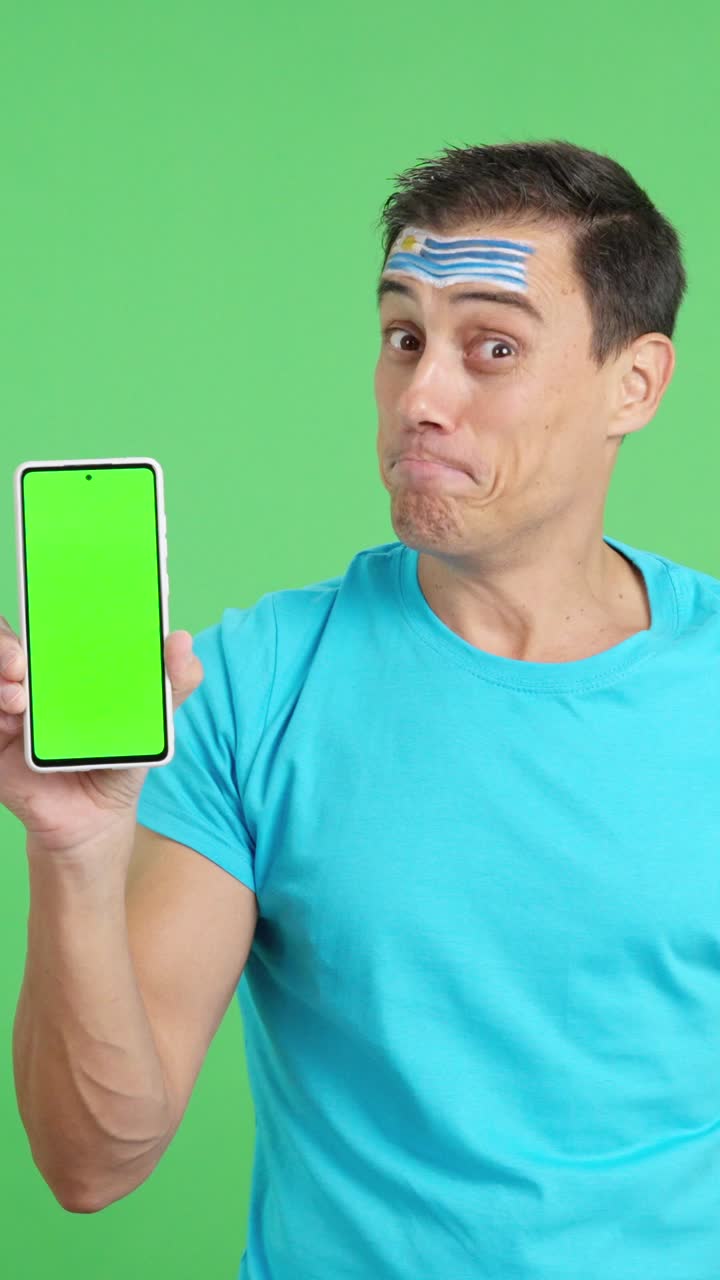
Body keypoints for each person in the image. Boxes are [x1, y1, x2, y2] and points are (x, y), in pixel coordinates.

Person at [10, 138, 720, 1279]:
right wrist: (77, 853)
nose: (421, 398)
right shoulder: (249, 686)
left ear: (633, 383)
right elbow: (92, 1161)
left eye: (492, 347)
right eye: (403, 338)